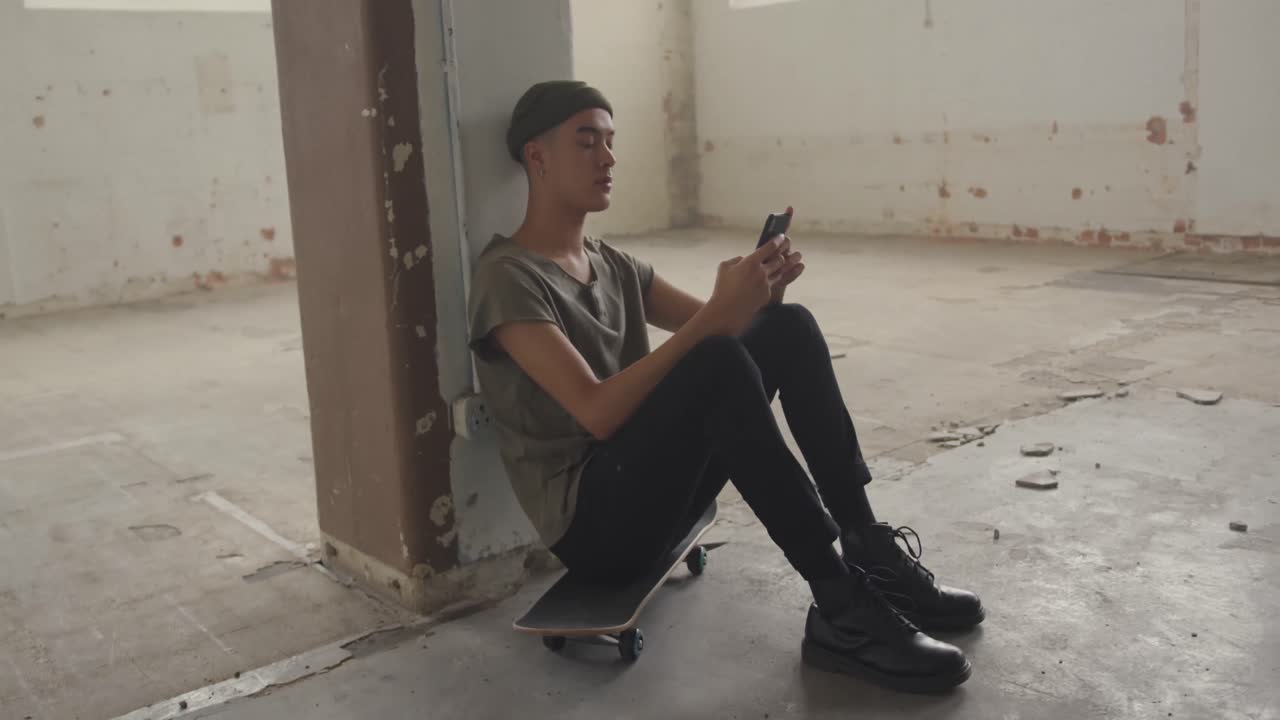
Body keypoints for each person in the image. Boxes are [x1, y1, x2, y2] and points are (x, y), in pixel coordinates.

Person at [467, 81, 983, 694]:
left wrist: (760, 293)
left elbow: (733, 330)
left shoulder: (614, 264)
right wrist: (721, 315)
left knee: (786, 327)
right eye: (587, 143)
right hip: (596, 527)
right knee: (713, 360)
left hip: (657, 490)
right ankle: (840, 606)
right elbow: (597, 412)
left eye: (611, 142)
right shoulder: (508, 277)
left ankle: (868, 547)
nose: (607, 158)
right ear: (537, 157)